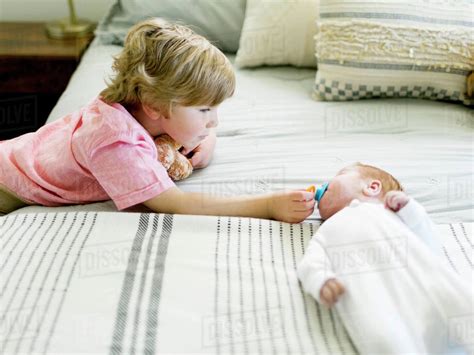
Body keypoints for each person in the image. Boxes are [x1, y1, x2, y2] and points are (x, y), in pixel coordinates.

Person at [0, 18, 315, 222]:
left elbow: (193, 129)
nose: (214, 121)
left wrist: (206, 139)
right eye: (205, 111)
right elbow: (177, 204)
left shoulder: (134, 103)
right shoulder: (115, 144)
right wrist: (269, 206)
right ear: (154, 104)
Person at [298, 163, 472, 354]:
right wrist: (321, 279)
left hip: (422, 282)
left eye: (338, 175)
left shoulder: (393, 212)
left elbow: (429, 241)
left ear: (372, 187)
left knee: (459, 307)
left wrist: (409, 209)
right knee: (383, 339)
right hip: (374, 298)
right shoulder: (326, 231)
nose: (324, 184)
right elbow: (311, 262)